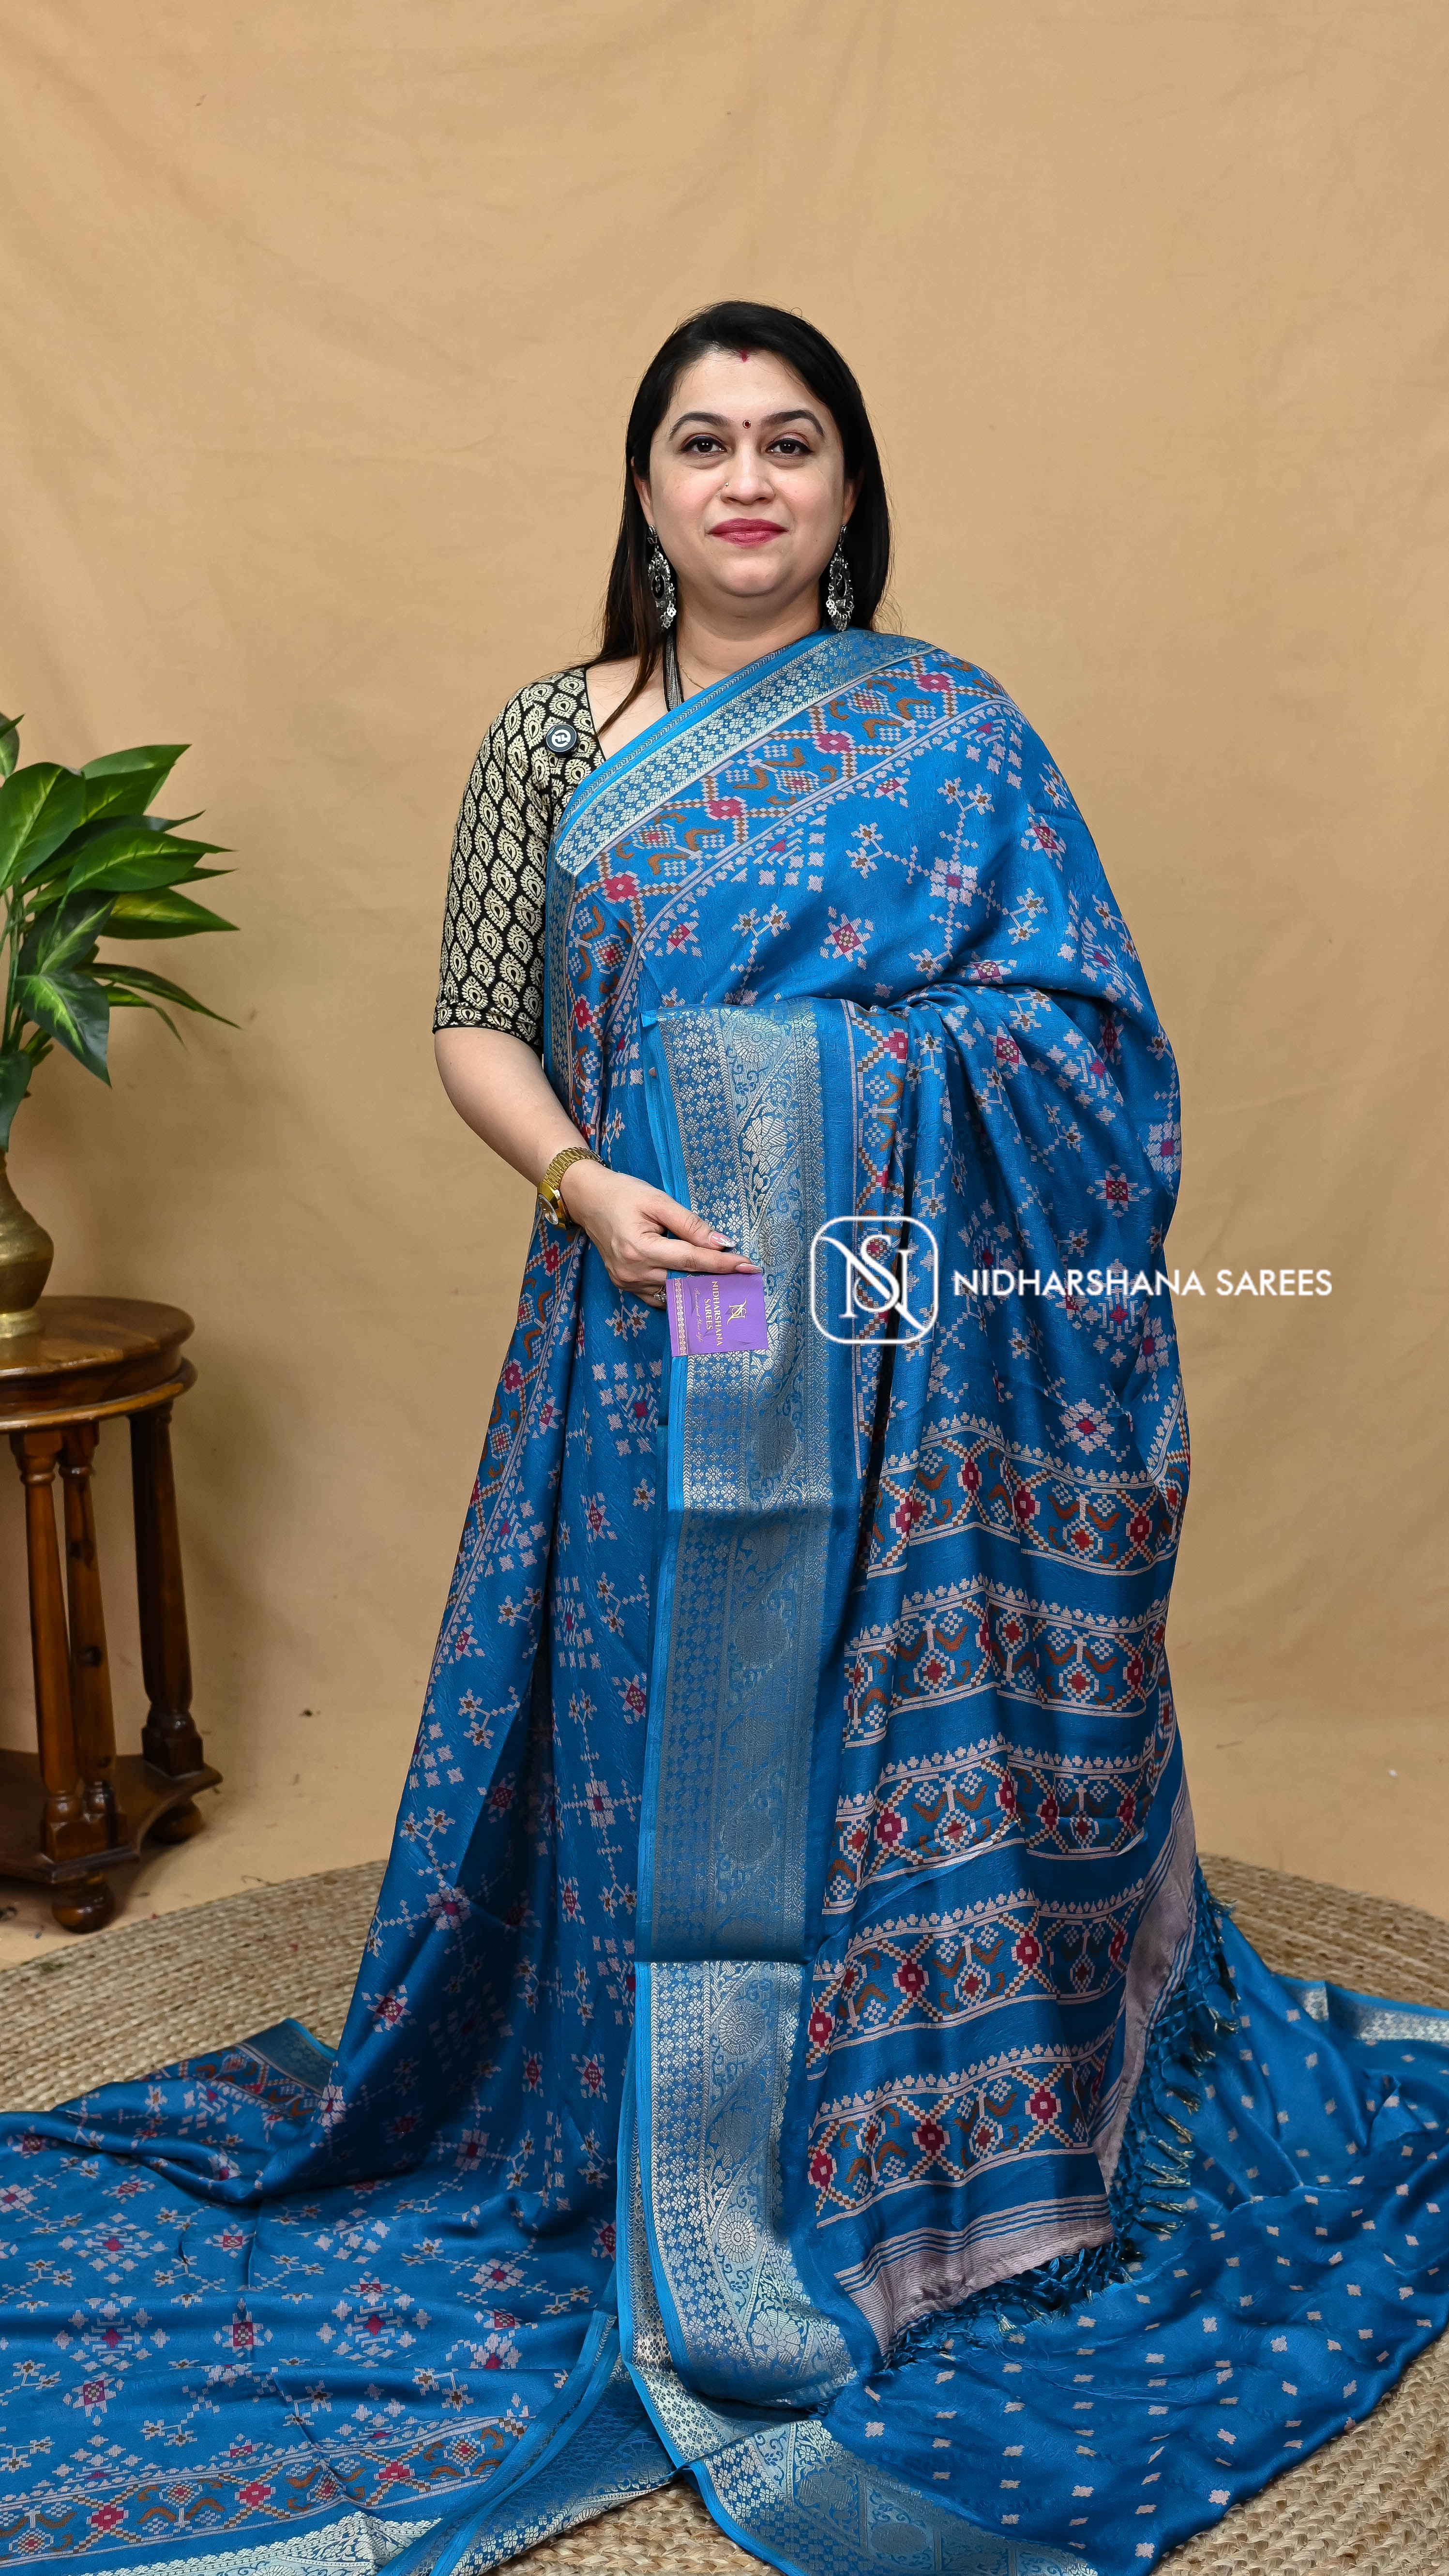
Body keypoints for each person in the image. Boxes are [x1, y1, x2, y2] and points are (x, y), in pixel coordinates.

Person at [3, 302, 1447, 2576]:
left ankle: (880, 2166)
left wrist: (826, 1098)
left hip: (887, 1327)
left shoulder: (950, 731)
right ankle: (649, 2129)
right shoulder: (549, 735)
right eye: (702, 443)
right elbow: (474, 1019)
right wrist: (586, 1178)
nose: (746, 481)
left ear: (849, 486)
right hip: (655, 1295)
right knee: (657, 1705)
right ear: (644, 486)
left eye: (790, 442)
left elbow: (1084, 1045)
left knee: (869, 1699)